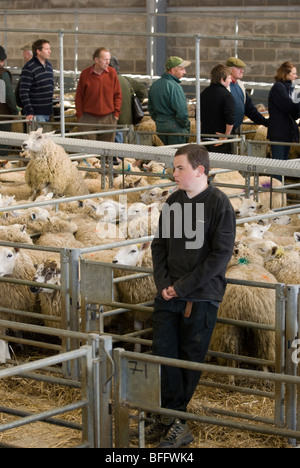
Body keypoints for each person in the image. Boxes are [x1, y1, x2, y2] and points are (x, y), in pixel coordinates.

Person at [150, 144, 236, 448]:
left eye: (179, 168)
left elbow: (219, 256)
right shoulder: (173, 202)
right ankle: (170, 420)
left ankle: (172, 422)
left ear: (200, 170)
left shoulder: (219, 205)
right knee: (163, 355)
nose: (173, 173)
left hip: (201, 296)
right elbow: (159, 246)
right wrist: (163, 283)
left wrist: (182, 287)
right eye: (174, 168)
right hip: (167, 295)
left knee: (189, 359)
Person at [75, 47, 122, 143]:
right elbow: (79, 96)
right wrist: (80, 115)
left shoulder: (112, 73)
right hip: (88, 118)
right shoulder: (85, 74)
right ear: (96, 60)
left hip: (108, 117)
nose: (108, 62)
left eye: (109, 59)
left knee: (107, 150)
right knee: (89, 150)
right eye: (105, 60)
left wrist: (116, 114)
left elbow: (117, 94)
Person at [148, 56, 191, 145]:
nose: (184, 72)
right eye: (181, 69)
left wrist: (160, 121)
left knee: (168, 153)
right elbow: (181, 112)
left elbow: (151, 108)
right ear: (172, 70)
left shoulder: (155, 85)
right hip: (176, 128)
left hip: (161, 127)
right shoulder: (175, 87)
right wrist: (186, 126)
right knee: (177, 155)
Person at [268, 62, 300, 173]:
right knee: (278, 165)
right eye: (294, 73)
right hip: (279, 133)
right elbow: (289, 107)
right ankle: (277, 189)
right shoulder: (279, 88)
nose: (296, 76)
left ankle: (280, 188)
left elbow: (294, 113)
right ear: (286, 74)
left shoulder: (289, 89)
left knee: (284, 165)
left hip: (286, 132)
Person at [109, 56, 147, 143]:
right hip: (128, 119)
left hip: (113, 119)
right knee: (125, 143)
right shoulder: (126, 80)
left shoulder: (106, 81)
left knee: (113, 143)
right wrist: (135, 103)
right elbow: (142, 89)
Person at [226, 57, 268, 133]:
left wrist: (264, 122)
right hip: (223, 129)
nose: (242, 71)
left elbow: (249, 108)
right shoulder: (224, 86)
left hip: (234, 129)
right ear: (229, 69)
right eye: (238, 68)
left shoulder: (240, 85)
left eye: (242, 68)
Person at [200, 64, 235, 153]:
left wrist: (200, 136)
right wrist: (226, 136)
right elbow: (230, 118)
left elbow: (198, 117)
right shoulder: (227, 95)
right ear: (221, 79)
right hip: (220, 139)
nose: (231, 81)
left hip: (205, 138)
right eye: (229, 78)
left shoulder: (203, 93)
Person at [19, 39, 54, 126]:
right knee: (37, 139)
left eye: (49, 49)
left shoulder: (49, 66)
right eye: (46, 49)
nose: (50, 51)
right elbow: (23, 91)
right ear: (38, 51)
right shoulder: (29, 68)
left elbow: (50, 87)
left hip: (47, 112)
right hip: (36, 114)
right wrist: (29, 111)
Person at [0, 46, 19, 157]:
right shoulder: (2, 74)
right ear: (3, 60)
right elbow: (8, 95)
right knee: (3, 143)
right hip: (2, 115)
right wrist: (14, 111)